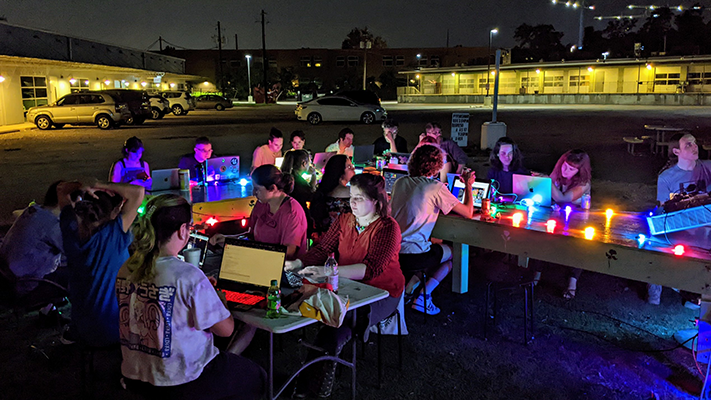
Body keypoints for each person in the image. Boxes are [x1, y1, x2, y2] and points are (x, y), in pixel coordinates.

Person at [117, 194, 266, 400]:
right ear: (182, 230)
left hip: (136, 373)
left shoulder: (126, 267)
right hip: (181, 379)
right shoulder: (187, 275)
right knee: (257, 376)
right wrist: (217, 298)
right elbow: (226, 330)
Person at [286, 174, 404, 398]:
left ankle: (310, 384)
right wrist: (299, 263)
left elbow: (371, 269)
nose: (352, 203)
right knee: (335, 319)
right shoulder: (344, 220)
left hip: (382, 292)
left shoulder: (388, 228)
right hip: (346, 286)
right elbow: (323, 250)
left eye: (359, 198)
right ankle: (315, 379)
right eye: (351, 197)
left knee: (338, 321)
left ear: (376, 202)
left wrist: (326, 271)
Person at [390, 144, 476, 315]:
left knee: (432, 249)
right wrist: (468, 185)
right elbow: (468, 212)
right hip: (415, 253)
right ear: (437, 166)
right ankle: (423, 296)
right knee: (452, 254)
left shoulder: (399, 183)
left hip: (394, 250)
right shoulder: (435, 187)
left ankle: (409, 290)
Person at [60, 181, 144, 347]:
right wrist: (98, 184)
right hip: (116, 330)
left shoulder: (70, 227)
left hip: (81, 329)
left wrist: (83, 184)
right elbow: (138, 192)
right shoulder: (115, 235)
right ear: (114, 212)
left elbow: (61, 190)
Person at [650, 133, 711, 305]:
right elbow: (664, 208)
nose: (694, 147)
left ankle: (698, 294)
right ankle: (655, 294)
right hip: (679, 224)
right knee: (656, 246)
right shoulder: (667, 177)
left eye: (694, 143)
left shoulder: (706, 167)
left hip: (704, 223)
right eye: (688, 145)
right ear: (676, 151)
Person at [532, 149, 591, 300]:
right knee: (539, 235)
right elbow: (548, 194)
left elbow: (562, 198)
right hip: (557, 216)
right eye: (565, 166)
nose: (566, 170)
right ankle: (536, 275)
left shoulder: (584, 184)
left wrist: (548, 182)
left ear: (579, 171)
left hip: (578, 220)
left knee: (578, 246)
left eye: (572, 169)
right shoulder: (558, 173)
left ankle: (572, 282)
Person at [0, 181, 73, 298]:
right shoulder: (52, 225)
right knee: (79, 272)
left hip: (6, 275)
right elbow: (77, 250)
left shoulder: (33, 210)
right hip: (23, 284)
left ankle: (48, 309)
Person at [249, 165, 308, 260]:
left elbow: (289, 251)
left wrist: (259, 254)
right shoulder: (262, 203)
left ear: (273, 188)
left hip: (285, 267)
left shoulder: (291, 212)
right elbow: (251, 235)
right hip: (260, 259)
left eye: (257, 189)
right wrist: (228, 240)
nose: (253, 193)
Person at [310, 155, 355, 236]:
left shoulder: (322, 191)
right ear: (340, 172)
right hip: (341, 238)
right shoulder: (349, 193)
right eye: (349, 167)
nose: (353, 169)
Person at [281, 149, 317, 231]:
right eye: (309, 162)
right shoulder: (298, 181)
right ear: (304, 163)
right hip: (300, 219)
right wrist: (314, 176)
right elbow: (311, 194)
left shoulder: (287, 178)